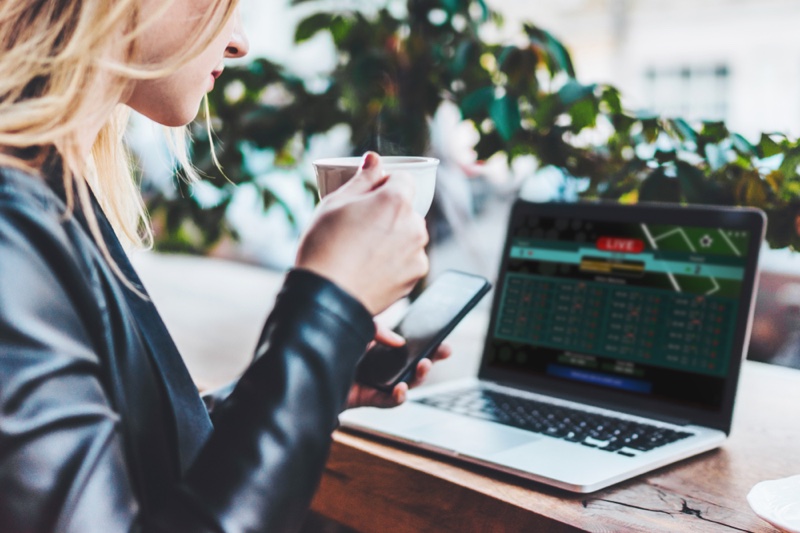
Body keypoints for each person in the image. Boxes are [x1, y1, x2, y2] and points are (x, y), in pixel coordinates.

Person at [0, 1, 450, 531]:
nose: (238, 42)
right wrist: (327, 303)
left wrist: (313, 367)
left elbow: (132, 462)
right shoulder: (13, 227)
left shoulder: (49, 189)